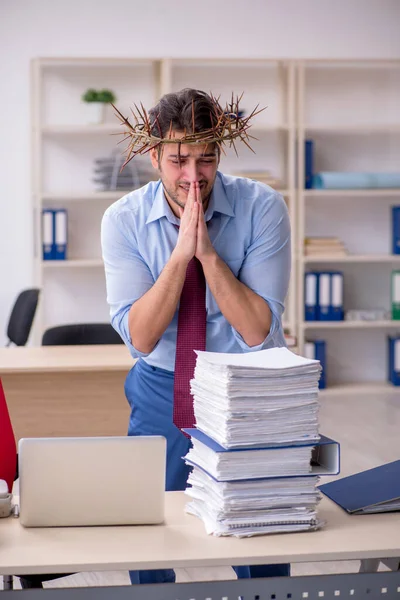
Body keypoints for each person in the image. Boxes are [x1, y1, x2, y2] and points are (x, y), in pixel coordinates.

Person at [101, 88, 291, 584]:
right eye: (178, 160)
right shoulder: (123, 220)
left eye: (205, 160)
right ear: (152, 154)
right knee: (148, 531)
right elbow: (141, 338)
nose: (193, 176)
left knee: (258, 530)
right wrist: (179, 256)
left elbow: (256, 330)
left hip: (245, 387)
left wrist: (208, 256)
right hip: (160, 384)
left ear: (221, 152)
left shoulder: (262, 208)